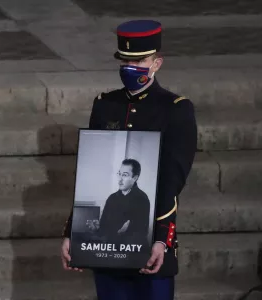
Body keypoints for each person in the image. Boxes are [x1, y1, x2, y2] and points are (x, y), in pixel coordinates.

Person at [61, 19, 198, 300]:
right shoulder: (105, 104)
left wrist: (162, 239)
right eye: (125, 60)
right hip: (108, 252)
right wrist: (72, 232)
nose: (130, 68)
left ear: (157, 63)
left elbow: (172, 180)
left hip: (149, 243)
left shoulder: (175, 110)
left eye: (140, 60)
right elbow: (90, 171)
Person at [87, 158, 151, 245]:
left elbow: (141, 233)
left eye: (124, 175)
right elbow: (103, 230)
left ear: (135, 178)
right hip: (110, 247)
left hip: (131, 251)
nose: (120, 179)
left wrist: (124, 233)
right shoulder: (112, 198)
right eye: (119, 174)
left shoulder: (142, 199)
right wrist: (97, 229)